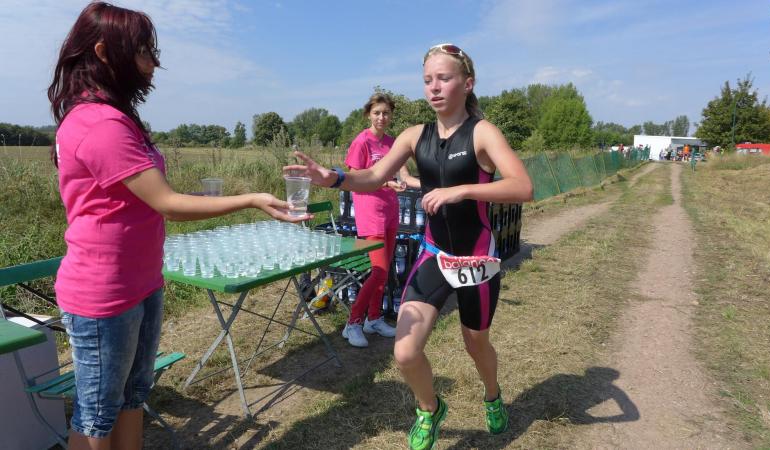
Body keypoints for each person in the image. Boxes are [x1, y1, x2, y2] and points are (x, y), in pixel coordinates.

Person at [48, 3, 303, 449]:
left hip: (143, 281)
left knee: (133, 396)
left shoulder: (118, 117)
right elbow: (168, 203)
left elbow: (148, 199)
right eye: (143, 51)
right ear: (105, 53)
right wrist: (251, 199)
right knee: (97, 414)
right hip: (105, 294)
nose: (153, 63)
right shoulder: (98, 123)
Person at [285, 43, 533, 450]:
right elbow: (372, 177)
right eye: (427, 80)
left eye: (444, 78)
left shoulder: (483, 133)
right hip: (435, 254)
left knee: (475, 344)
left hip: (476, 259)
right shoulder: (415, 135)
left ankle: (492, 395)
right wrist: (332, 177)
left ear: (468, 83)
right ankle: (430, 408)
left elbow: (523, 186)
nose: (434, 87)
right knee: (404, 352)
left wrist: (461, 191)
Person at [340, 93, 406, 347]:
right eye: (377, 112)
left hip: (391, 211)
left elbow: (401, 173)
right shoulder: (361, 142)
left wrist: (401, 182)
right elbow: (355, 179)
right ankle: (353, 322)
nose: (381, 117)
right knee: (378, 272)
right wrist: (386, 183)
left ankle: (374, 319)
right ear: (368, 114)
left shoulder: (392, 143)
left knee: (385, 271)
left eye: (386, 113)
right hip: (370, 213)